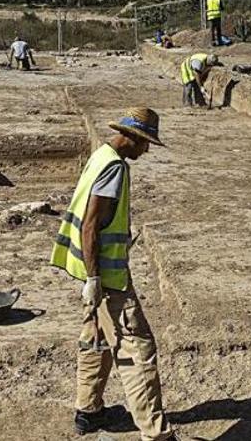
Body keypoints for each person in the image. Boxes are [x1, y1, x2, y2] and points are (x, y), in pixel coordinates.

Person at [50, 108, 176, 441]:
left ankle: (88, 411)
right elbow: (90, 226)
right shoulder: (115, 169)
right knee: (138, 350)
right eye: (145, 143)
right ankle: (157, 434)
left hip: (94, 273)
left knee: (96, 338)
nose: (146, 151)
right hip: (107, 278)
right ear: (131, 137)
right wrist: (95, 280)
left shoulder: (101, 156)